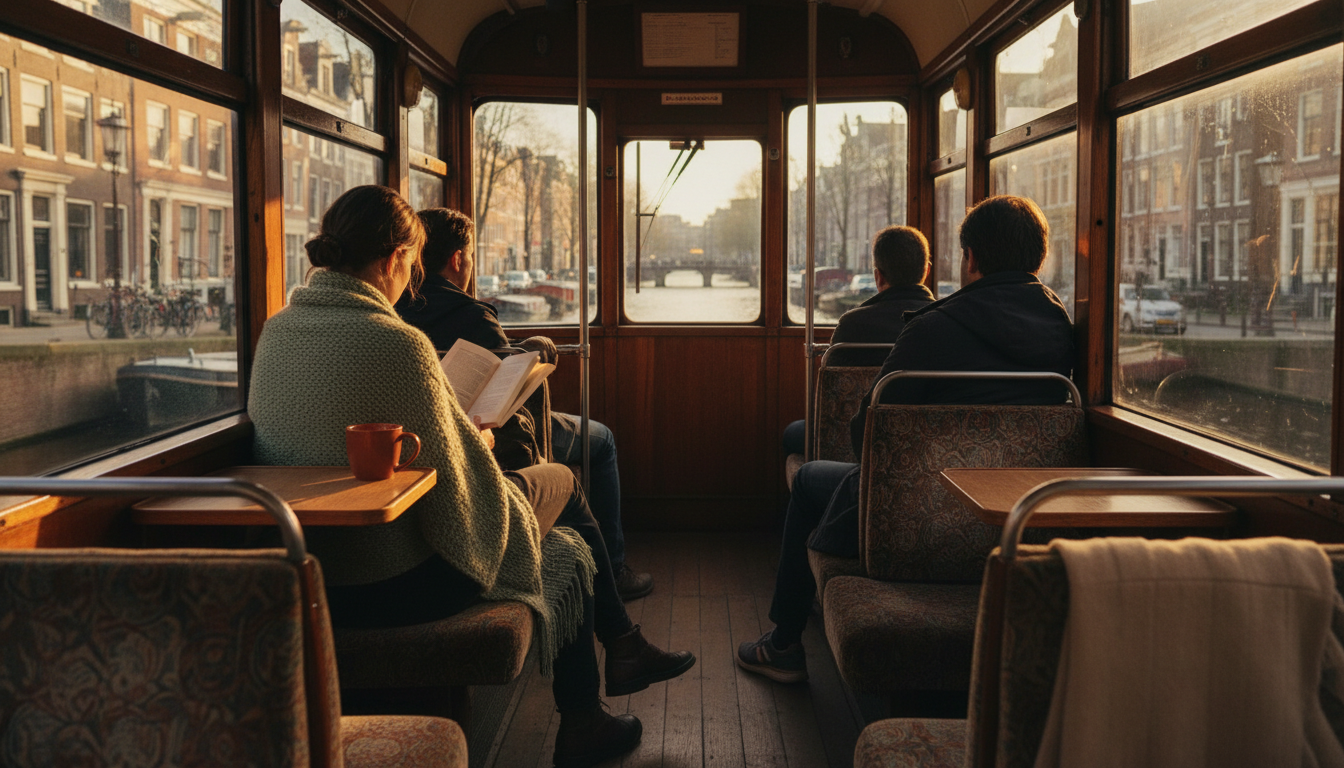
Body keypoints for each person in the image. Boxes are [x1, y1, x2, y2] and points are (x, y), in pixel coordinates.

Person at [248, 186, 694, 768]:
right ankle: (603, 682)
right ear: (391, 258)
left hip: (302, 572)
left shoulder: (275, 332)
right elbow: (468, 484)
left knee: (563, 538)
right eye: (410, 266)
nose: (410, 284)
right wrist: (479, 440)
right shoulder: (398, 345)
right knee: (563, 491)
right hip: (391, 582)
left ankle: (605, 683)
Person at [739, 195, 1075, 683]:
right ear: (1039, 257)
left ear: (971, 258)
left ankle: (784, 644)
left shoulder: (932, 330)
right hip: (1020, 521)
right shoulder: (1061, 329)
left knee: (811, 475)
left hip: (916, 517)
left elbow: (867, 435)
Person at [395, 208, 654, 602]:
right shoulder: (473, 314)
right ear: (458, 259)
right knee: (601, 441)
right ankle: (613, 569)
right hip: (486, 432)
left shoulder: (396, 310)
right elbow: (512, 401)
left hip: (417, 439)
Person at [781, 225, 934, 455]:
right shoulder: (943, 322)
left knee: (792, 434)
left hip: (851, 437)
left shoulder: (852, 324)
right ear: (926, 271)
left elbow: (830, 400)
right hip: (922, 443)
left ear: (877, 276)